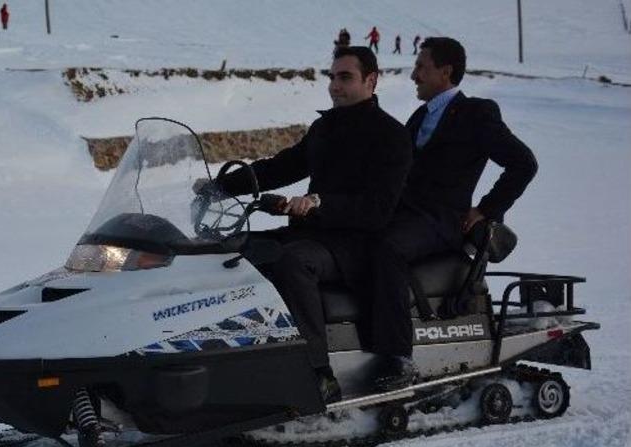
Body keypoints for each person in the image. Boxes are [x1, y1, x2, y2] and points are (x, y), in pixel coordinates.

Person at [199, 47, 413, 403]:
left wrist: (318, 202)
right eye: (331, 77)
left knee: (292, 262)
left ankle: (316, 373)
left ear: (371, 81)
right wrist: (220, 186)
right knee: (236, 249)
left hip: (355, 246)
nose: (334, 85)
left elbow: (377, 209)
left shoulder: (391, 136)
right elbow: (280, 167)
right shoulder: (325, 127)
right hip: (313, 234)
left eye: (345, 77)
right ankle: (230, 356)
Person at [366, 37, 537, 391]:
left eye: (421, 67)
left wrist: (486, 209)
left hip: (443, 221)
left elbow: (523, 163)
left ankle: (398, 357)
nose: (414, 75)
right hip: (407, 214)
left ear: (445, 72)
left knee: (389, 249)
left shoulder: (477, 113)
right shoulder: (419, 117)